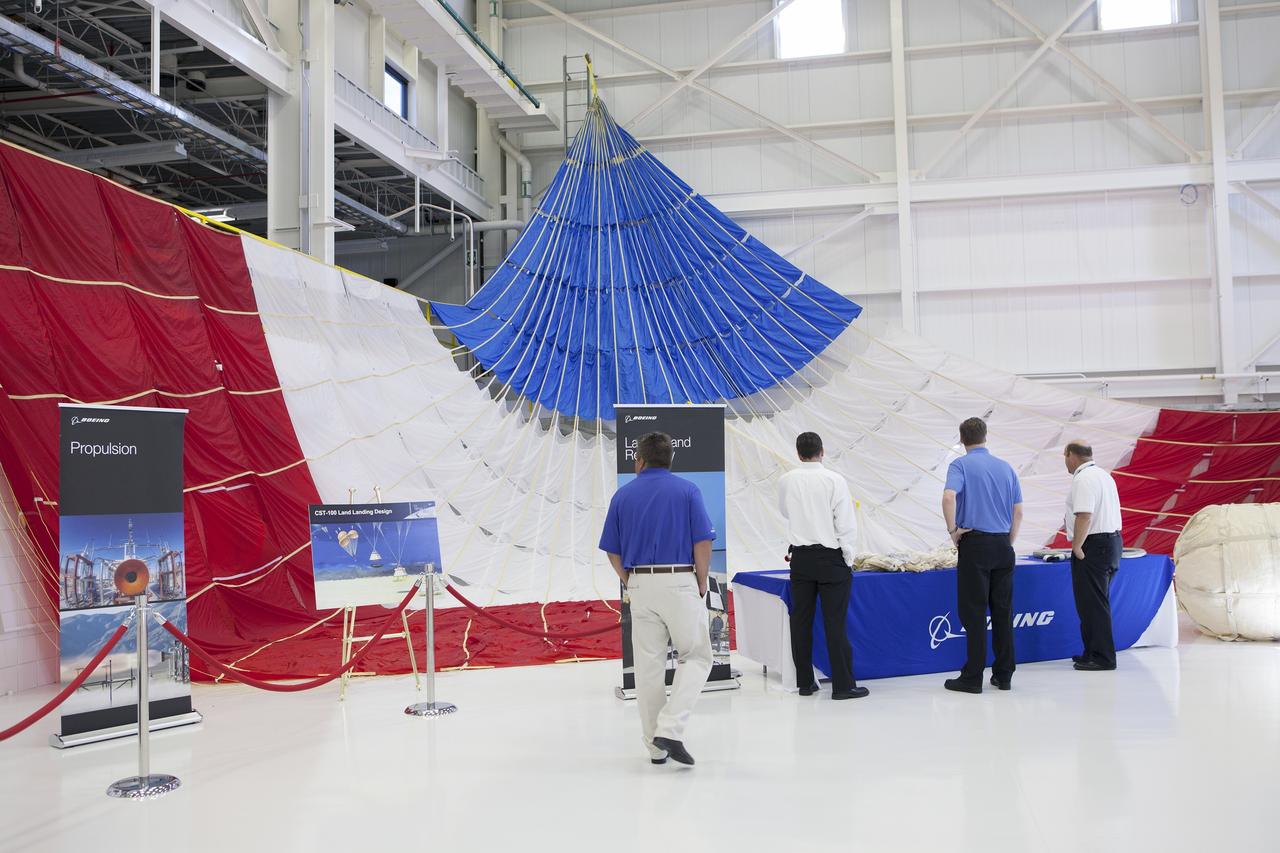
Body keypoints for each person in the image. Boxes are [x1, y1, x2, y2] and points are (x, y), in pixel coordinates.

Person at [599, 431, 714, 767]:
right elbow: (703, 543)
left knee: (648, 668)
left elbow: (612, 550)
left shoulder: (623, 496)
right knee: (696, 657)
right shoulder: (688, 491)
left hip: (639, 585)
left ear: (640, 460)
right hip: (680, 580)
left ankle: (655, 746)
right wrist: (702, 582)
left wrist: (628, 581)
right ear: (670, 459)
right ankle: (671, 728)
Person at [777, 432, 868, 700]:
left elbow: (785, 512)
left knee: (801, 621)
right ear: (822, 451)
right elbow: (846, 524)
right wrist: (847, 558)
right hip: (831, 559)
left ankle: (805, 683)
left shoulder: (786, 480)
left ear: (798, 453)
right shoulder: (834, 480)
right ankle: (843, 685)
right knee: (835, 623)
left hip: (801, 559)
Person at [941, 417, 1023, 694]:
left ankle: (973, 676)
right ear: (986, 436)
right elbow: (1019, 510)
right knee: (1003, 612)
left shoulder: (960, 465)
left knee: (974, 613)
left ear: (962, 439)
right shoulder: (1006, 468)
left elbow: (949, 497)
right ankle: (1004, 674)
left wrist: (953, 531)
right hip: (1002, 545)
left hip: (975, 545)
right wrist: (1008, 540)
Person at [1062, 441, 1124, 671]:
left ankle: (1103, 657)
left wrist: (1077, 546)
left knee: (1094, 604)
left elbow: (1084, 515)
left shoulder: (1083, 479)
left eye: (1065, 457)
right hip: (1111, 542)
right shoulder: (1103, 476)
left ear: (1071, 456)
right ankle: (1091, 651)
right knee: (1091, 603)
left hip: (1094, 545)